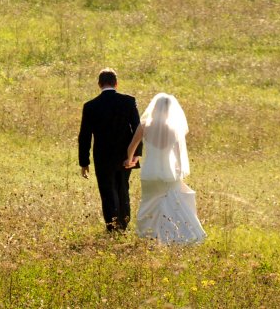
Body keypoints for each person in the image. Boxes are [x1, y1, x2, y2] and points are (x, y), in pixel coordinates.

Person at [124, 93, 206, 244]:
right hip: (167, 172)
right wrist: (179, 171)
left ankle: (148, 235)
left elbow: (132, 146)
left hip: (149, 172)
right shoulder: (174, 129)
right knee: (172, 205)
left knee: (148, 203)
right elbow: (179, 154)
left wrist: (129, 161)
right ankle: (174, 236)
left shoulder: (144, 125)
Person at [78, 68, 141, 231]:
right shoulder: (128, 101)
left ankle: (112, 225)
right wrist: (136, 155)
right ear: (116, 83)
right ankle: (124, 223)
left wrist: (84, 162)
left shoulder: (90, 106)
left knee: (107, 190)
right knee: (123, 188)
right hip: (125, 155)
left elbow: (84, 136)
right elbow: (138, 129)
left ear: (99, 84)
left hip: (102, 156)